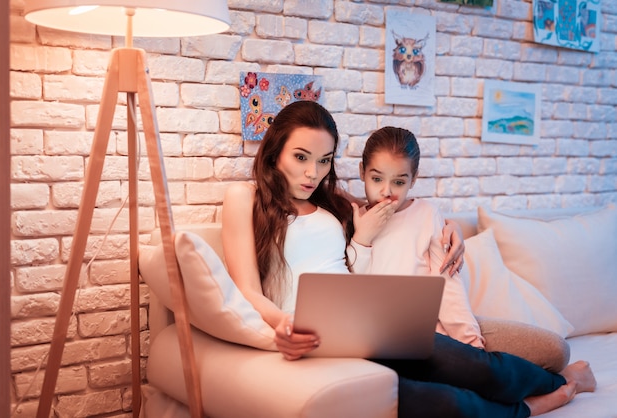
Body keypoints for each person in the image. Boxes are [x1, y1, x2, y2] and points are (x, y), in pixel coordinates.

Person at [222, 100, 596, 417]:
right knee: (445, 402)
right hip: (311, 337)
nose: (312, 173)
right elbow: (247, 291)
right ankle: (540, 403)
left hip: (372, 323)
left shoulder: (330, 201)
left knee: (474, 367)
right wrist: (282, 323)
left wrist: (450, 228)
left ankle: (568, 380)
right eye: (301, 157)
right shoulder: (243, 198)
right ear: (275, 150)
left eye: (324, 161)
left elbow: (394, 205)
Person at [347, 126, 484, 349]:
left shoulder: (427, 214)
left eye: (399, 182)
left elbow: (448, 283)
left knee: (551, 349)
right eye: (377, 179)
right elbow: (350, 289)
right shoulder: (353, 219)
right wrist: (362, 238)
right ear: (362, 171)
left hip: (432, 335)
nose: (386, 191)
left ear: (413, 179)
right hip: (377, 338)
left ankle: (560, 380)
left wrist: (471, 342)